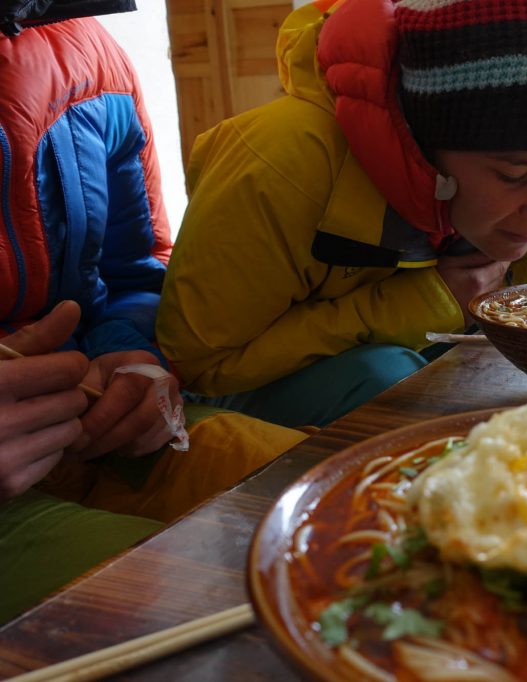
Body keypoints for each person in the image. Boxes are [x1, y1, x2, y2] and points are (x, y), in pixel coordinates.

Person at [156, 0, 527, 429]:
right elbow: (202, 365)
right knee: (395, 381)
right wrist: (423, 302)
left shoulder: (474, 184)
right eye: (515, 175)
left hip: (375, 352)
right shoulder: (279, 164)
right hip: (226, 393)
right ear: (426, 143)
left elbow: (487, 271)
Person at [0, 1, 307, 622]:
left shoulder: (91, 59)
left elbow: (132, 268)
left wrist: (132, 354)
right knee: (185, 608)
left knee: (329, 496)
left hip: (98, 431)